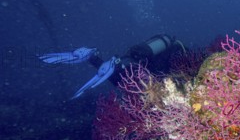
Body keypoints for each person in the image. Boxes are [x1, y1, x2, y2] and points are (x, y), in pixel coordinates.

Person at [39, 35, 185, 99]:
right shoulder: (178, 51)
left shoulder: (163, 43)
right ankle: (105, 61)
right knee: (122, 81)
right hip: (146, 68)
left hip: (134, 59)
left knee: (121, 78)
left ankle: (92, 56)